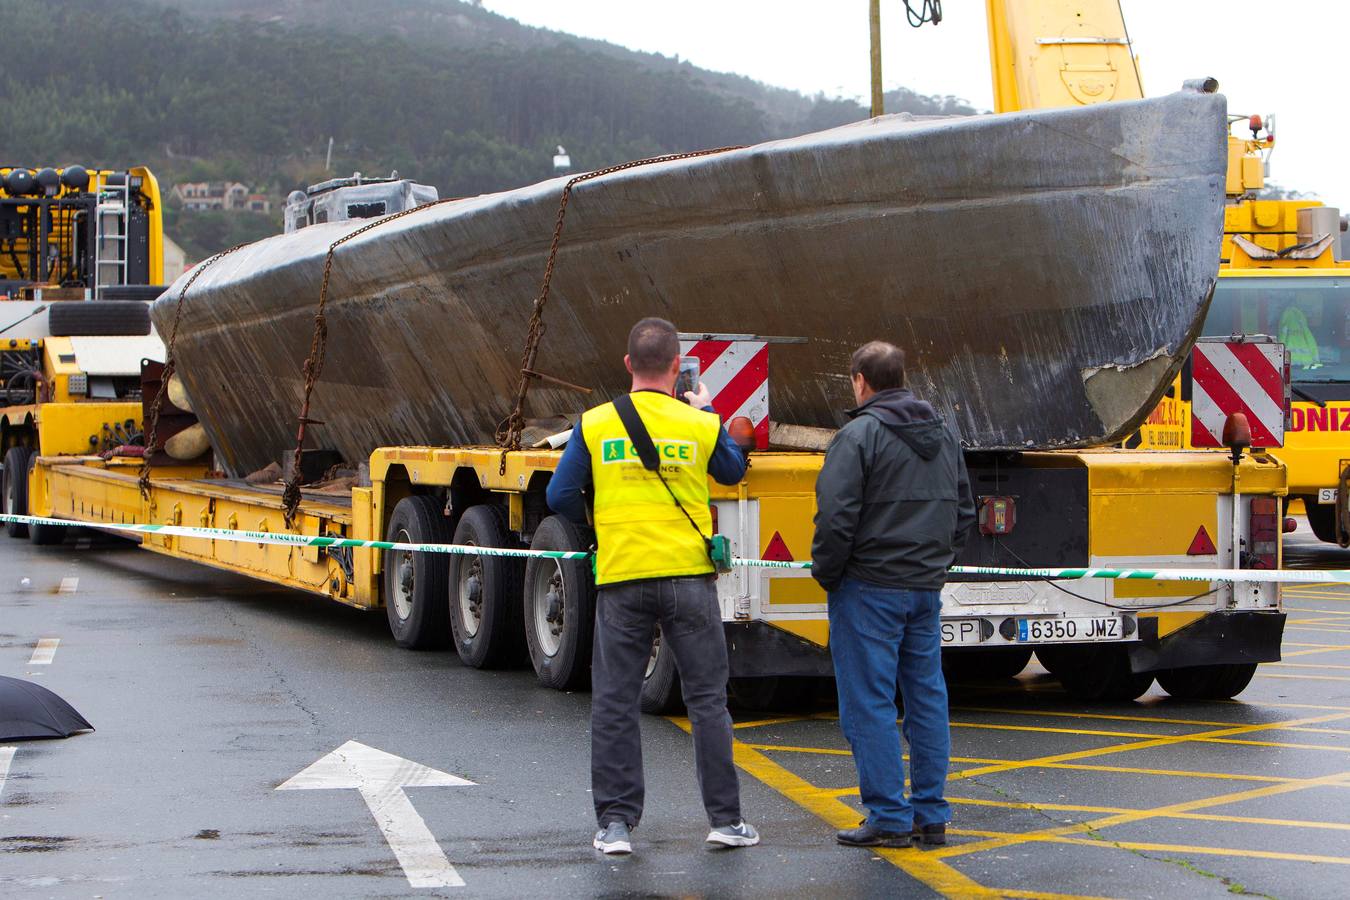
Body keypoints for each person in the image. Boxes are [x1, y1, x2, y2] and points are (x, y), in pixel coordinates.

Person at [546, 316, 759, 856]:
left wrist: (604, 528)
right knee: (707, 699)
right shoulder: (697, 422)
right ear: (676, 368)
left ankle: (616, 825)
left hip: (622, 578)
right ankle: (726, 821)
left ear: (627, 366)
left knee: (615, 701)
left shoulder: (594, 424)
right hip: (688, 579)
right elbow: (733, 473)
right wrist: (706, 408)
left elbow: (560, 496)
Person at [810, 341, 975, 849]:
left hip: (867, 588)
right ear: (901, 378)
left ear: (861, 381)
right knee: (926, 698)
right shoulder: (943, 436)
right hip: (923, 590)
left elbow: (836, 519)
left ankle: (888, 815)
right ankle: (931, 814)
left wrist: (829, 574)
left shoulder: (858, 436)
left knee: (869, 703)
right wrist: (933, 565)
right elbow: (964, 514)